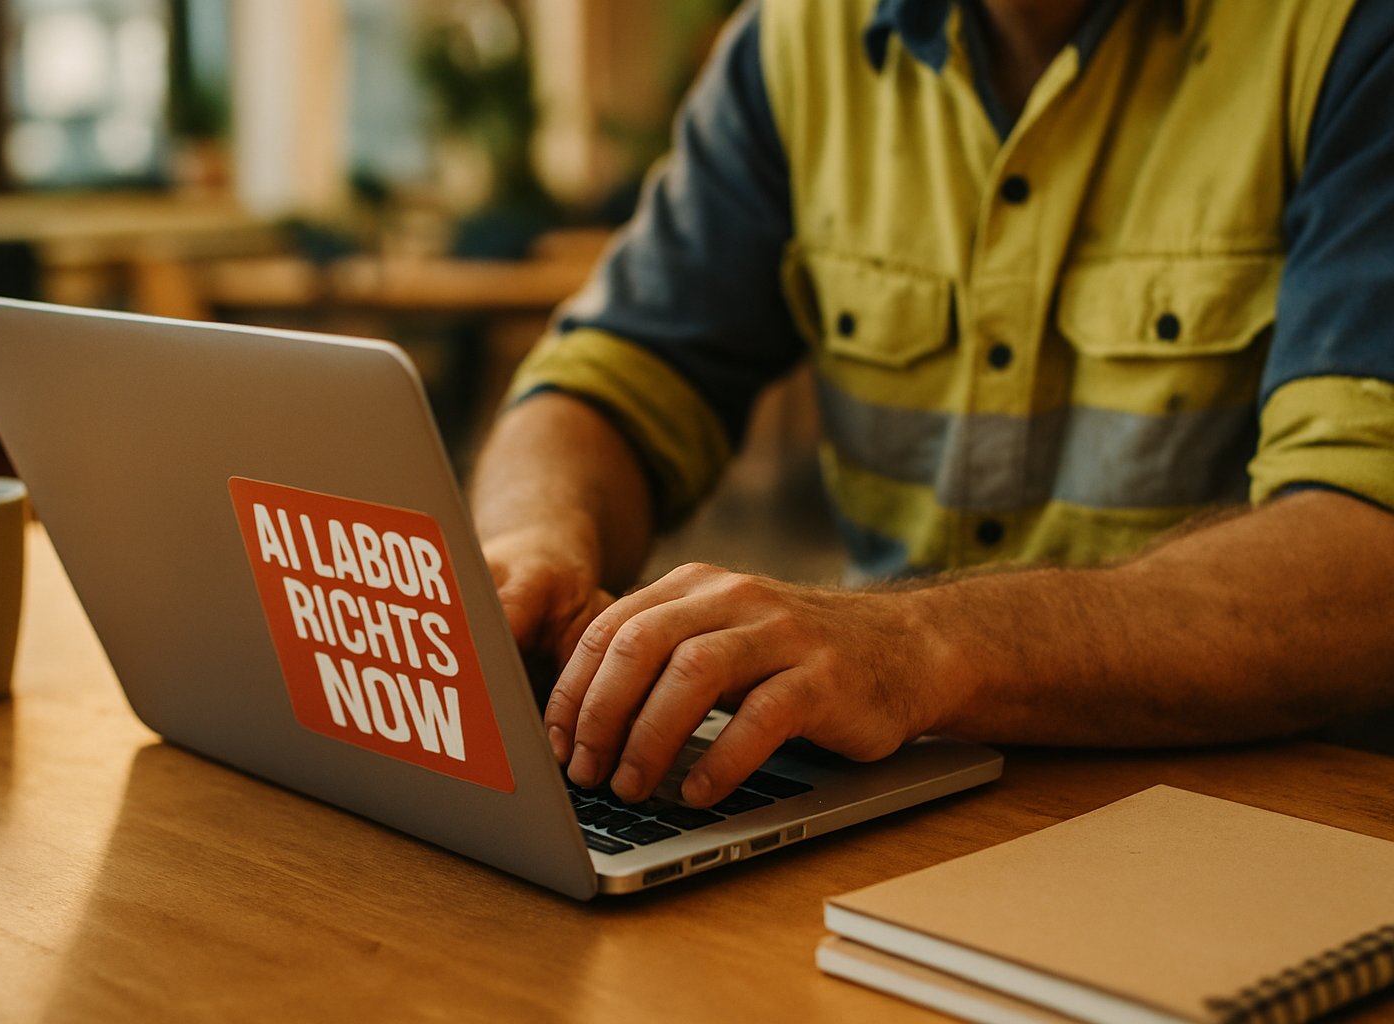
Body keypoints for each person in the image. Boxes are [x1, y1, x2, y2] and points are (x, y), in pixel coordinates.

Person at [469, 0, 1394, 809]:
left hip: (1261, 809)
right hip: (896, 796)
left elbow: (1370, 558)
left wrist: (919, 646)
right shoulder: (796, 41)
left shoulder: (1348, 34)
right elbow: (613, 374)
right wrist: (538, 539)